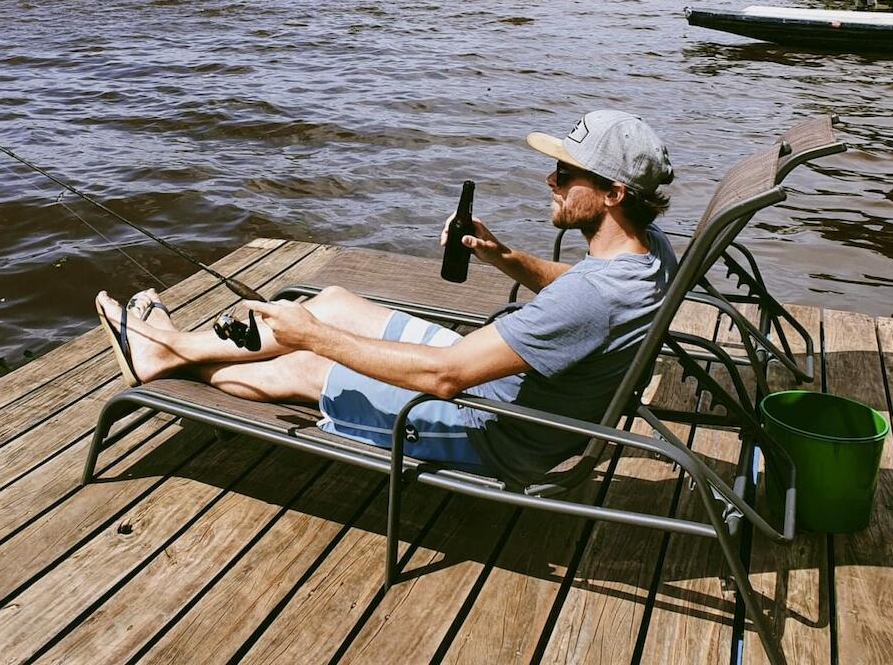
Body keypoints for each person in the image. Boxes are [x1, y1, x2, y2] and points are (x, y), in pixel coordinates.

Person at [95, 109, 677, 487]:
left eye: (564, 174)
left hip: (494, 427)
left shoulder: (595, 296)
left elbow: (446, 377)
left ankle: (163, 358)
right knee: (335, 299)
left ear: (612, 193)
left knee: (305, 358)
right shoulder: (646, 249)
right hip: (503, 382)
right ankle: (171, 348)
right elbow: (573, 295)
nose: (549, 180)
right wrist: (503, 258)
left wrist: (314, 339)